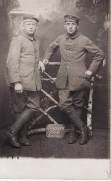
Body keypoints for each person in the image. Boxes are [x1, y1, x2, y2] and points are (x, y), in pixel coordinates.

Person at [43, 14, 104, 145]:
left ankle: (72, 132)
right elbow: (51, 47)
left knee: (77, 104)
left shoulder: (84, 40)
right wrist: (45, 59)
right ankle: (83, 128)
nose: (70, 27)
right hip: (63, 78)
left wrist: (90, 71)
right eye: (68, 24)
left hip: (80, 79)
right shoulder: (60, 38)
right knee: (64, 104)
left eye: (73, 24)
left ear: (77, 26)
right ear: (65, 25)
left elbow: (99, 54)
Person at [4, 14, 45, 148]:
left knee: (32, 105)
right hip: (20, 81)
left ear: (36, 27)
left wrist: (40, 61)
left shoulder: (35, 42)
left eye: (33, 25)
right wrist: (16, 81)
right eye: (28, 24)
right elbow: (12, 62)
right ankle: (17, 134)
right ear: (23, 26)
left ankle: (17, 134)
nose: (31, 27)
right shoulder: (18, 40)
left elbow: (30, 58)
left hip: (31, 81)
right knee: (19, 108)